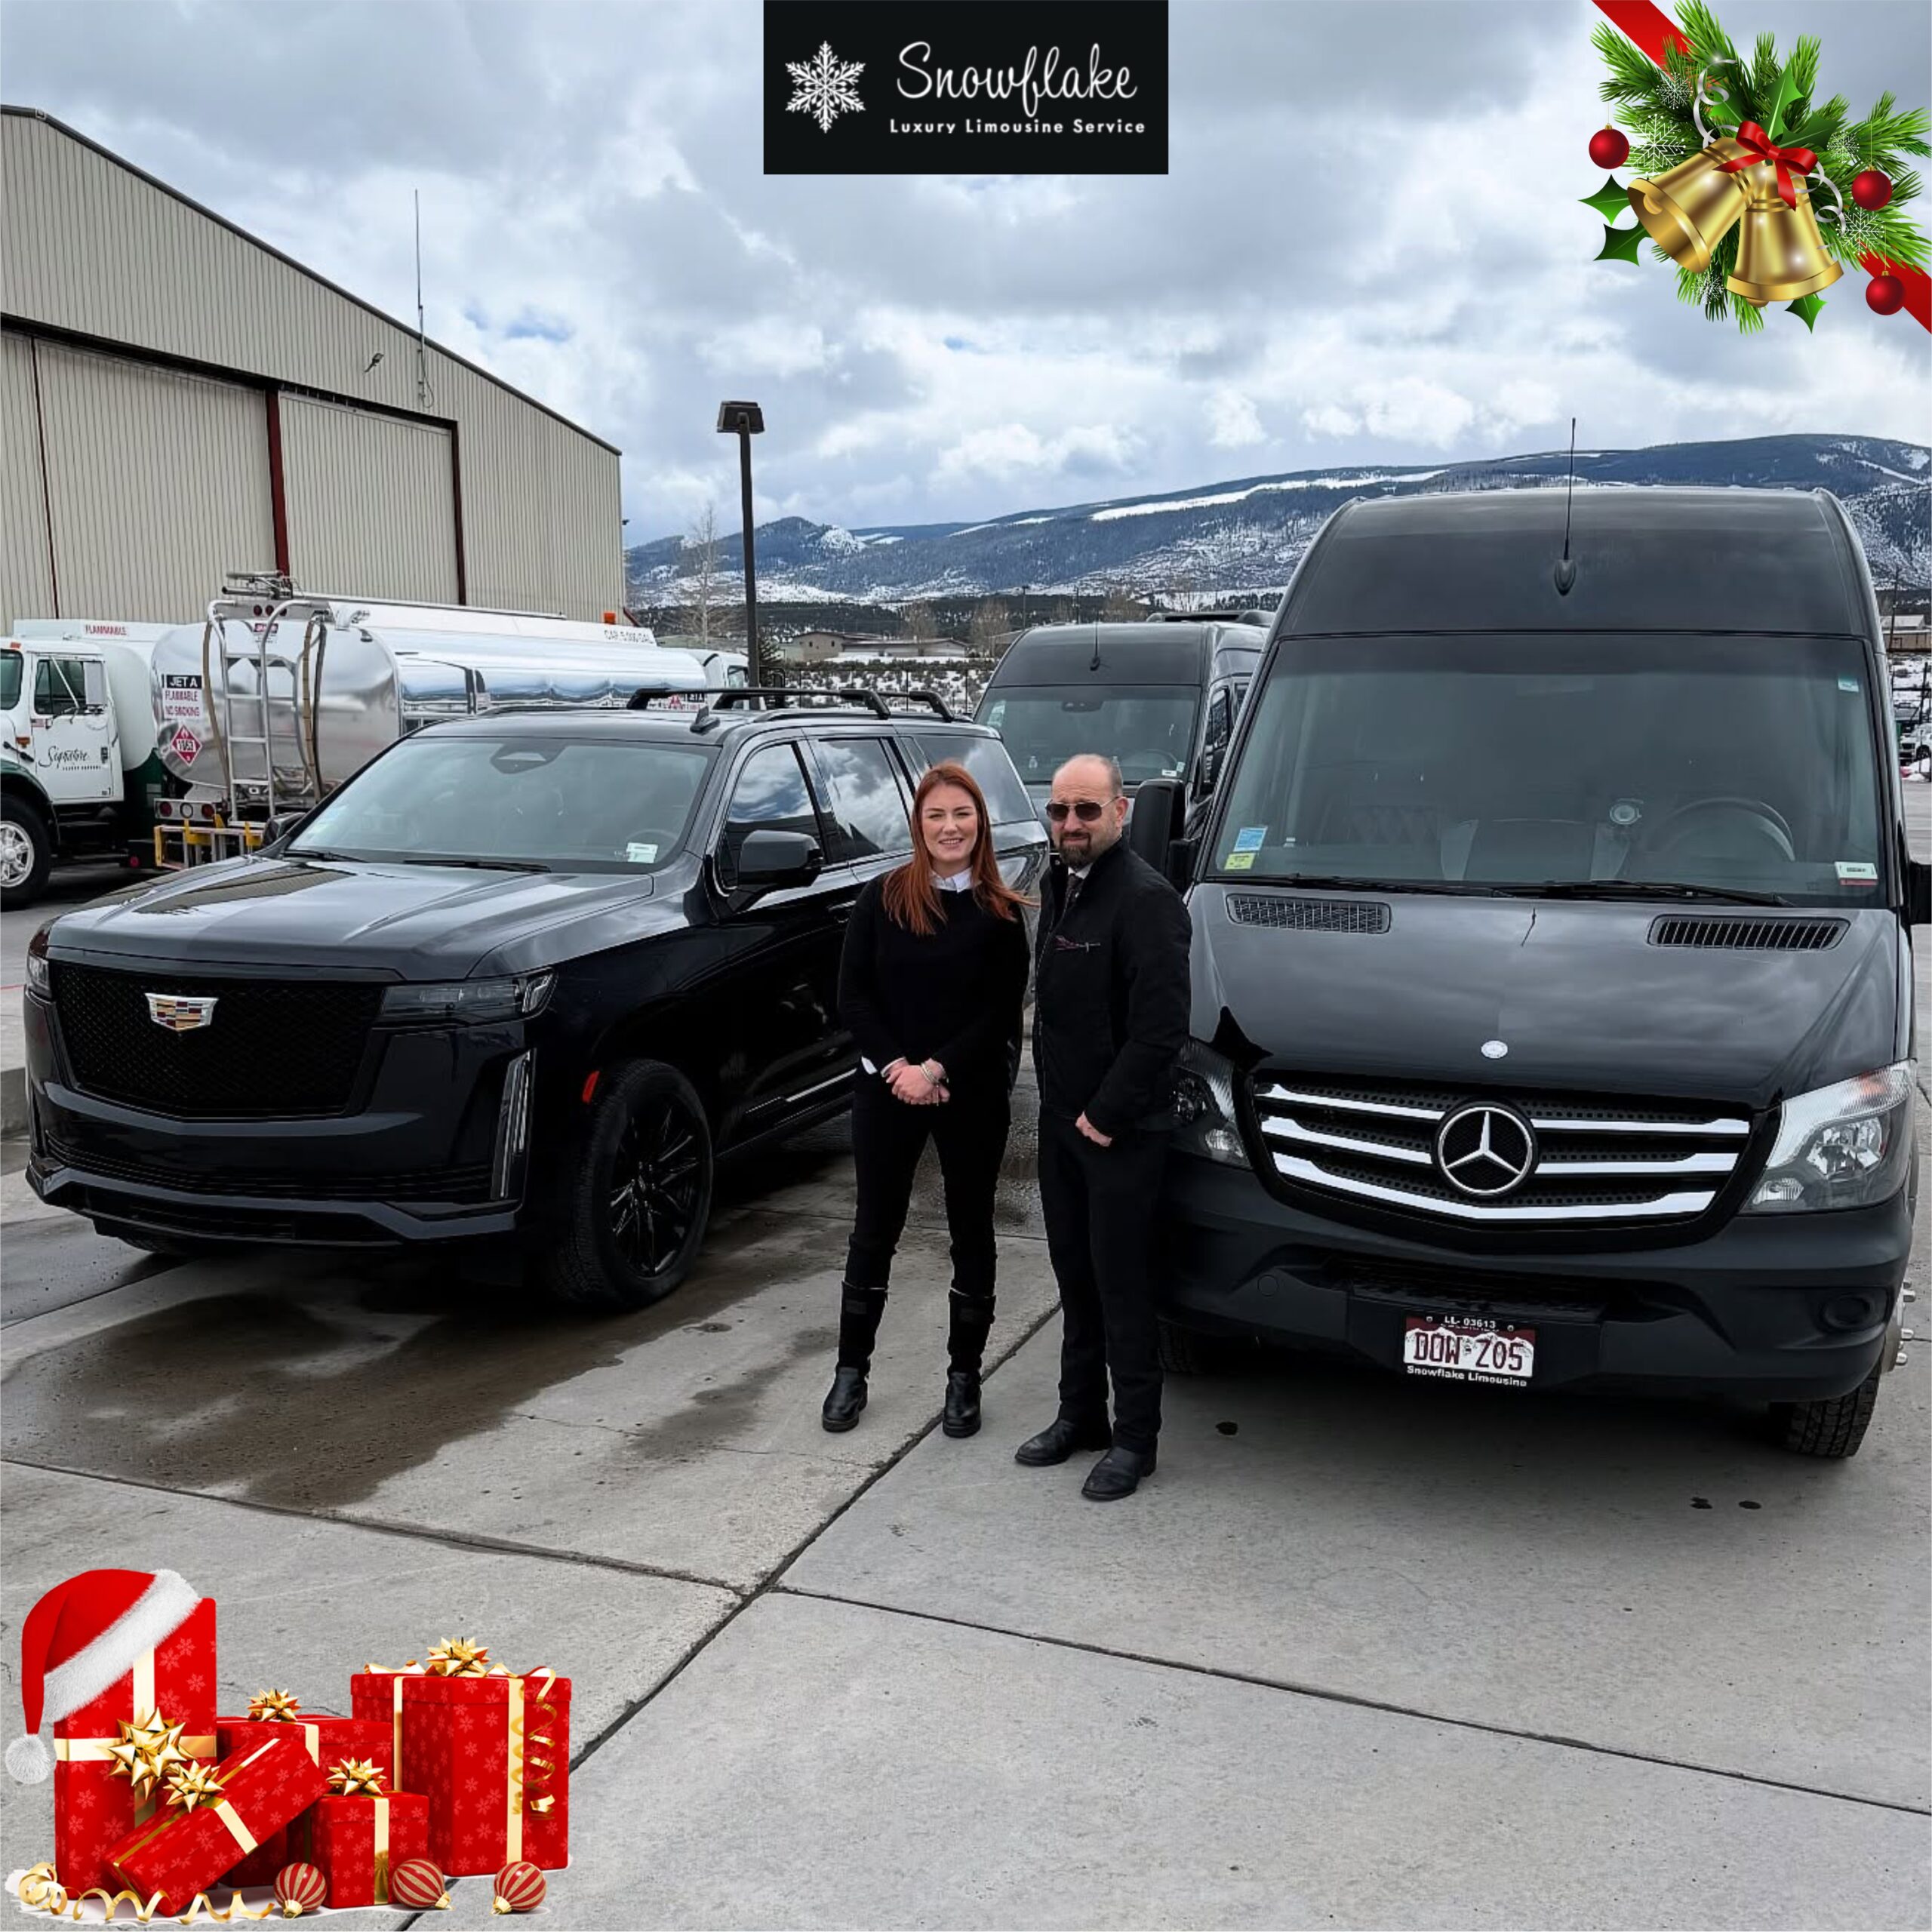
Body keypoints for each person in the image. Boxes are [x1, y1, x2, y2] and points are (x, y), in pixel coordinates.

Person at [822, 761, 1032, 1438]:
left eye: (962, 814)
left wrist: (937, 1068)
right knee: (874, 1228)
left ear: (981, 824)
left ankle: (964, 1377)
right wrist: (898, 1068)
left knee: (972, 1229)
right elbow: (854, 996)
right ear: (918, 824)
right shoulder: (882, 899)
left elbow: (1000, 1012)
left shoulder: (1001, 914)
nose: (950, 827)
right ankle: (851, 1371)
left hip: (969, 1092)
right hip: (888, 1087)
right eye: (936, 815)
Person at [1017, 753, 1191, 1500]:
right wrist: (1063, 1115)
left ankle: (1135, 1439)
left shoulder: (1147, 901)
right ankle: (1079, 1415)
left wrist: (1104, 1114)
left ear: (1120, 812)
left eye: (1086, 810)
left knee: (1122, 1287)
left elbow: (1161, 1031)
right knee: (1075, 1280)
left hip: (1118, 1133)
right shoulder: (1061, 881)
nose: (1071, 824)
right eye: (1059, 810)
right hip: (1061, 1125)